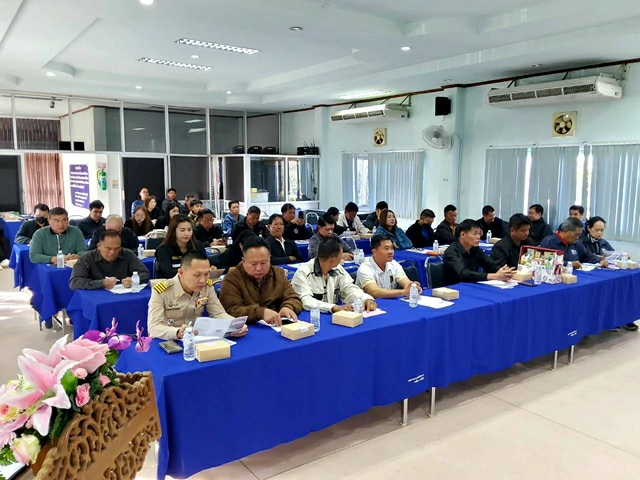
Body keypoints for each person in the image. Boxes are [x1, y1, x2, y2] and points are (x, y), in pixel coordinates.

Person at [148, 250, 248, 340]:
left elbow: (218, 313)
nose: (203, 280)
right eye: (197, 275)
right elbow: (153, 328)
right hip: (170, 340)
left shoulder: (207, 287)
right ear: (181, 273)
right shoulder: (162, 291)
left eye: (206, 274)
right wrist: (178, 332)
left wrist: (235, 324)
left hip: (196, 340)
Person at [220, 236, 303, 325]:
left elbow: (293, 298)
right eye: (253, 264)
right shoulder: (232, 279)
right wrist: (260, 313)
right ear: (244, 261)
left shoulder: (278, 274)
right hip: (248, 328)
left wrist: (288, 307)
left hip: (277, 325)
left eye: (263, 263)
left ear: (269, 259)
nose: (259, 268)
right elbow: (231, 310)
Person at [578, 217, 638, 332]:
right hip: (591, 275)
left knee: (622, 288)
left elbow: (613, 254)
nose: (599, 233)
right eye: (597, 230)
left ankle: (625, 318)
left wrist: (622, 256)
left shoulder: (603, 243)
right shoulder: (581, 242)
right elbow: (580, 259)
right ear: (589, 228)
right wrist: (596, 258)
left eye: (602, 230)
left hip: (607, 273)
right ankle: (609, 321)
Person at [292, 237, 376, 313]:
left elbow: (349, 289)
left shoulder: (337, 269)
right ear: (333, 260)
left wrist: (365, 298)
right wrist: (333, 307)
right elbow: (306, 301)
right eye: (341, 255)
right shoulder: (303, 272)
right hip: (311, 317)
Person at [69, 229, 150, 290]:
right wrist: (102, 283)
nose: (112, 252)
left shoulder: (127, 254)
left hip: (123, 295)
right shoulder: (87, 258)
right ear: (99, 246)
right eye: (108, 248)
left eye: (117, 248)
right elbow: (74, 282)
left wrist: (133, 280)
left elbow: (145, 273)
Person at [443, 219, 514, 286]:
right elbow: (463, 273)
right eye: (475, 234)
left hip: (472, 285)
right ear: (463, 235)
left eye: (479, 233)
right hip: (454, 288)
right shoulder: (451, 252)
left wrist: (502, 271)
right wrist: (494, 276)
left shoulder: (475, 249)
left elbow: (489, 263)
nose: (478, 237)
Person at [356, 234, 422, 298]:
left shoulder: (393, 264)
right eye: (386, 248)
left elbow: (406, 283)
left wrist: (412, 286)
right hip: (369, 303)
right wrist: (403, 292)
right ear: (374, 252)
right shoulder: (365, 269)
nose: (391, 252)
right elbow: (374, 292)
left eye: (392, 248)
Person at [540, 217, 608, 270]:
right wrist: (569, 263)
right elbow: (546, 261)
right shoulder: (549, 242)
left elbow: (587, 255)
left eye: (579, 235)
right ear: (566, 231)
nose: (578, 238)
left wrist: (599, 260)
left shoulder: (576, 243)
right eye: (576, 234)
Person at [155, 214, 208, 279]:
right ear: (173, 231)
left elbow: (205, 264)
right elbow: (168, 272)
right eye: (182, 230)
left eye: (189, 230)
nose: (187, 233)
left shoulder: (198, 245)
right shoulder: (163, 249)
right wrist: (192, 272)